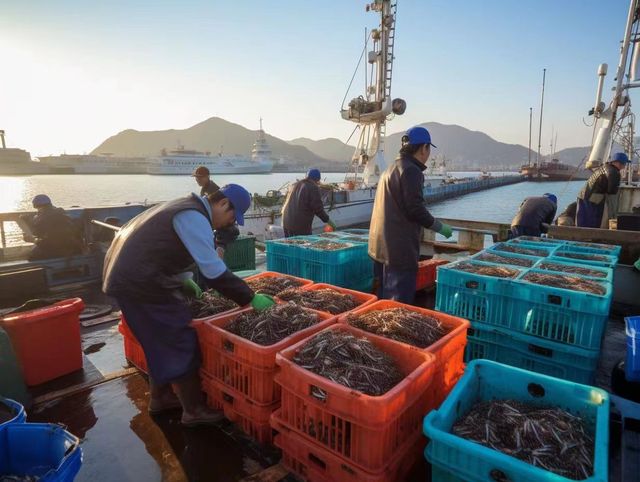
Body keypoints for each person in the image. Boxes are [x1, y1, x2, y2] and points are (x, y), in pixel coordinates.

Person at [103, 185, 275, 426]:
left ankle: (160, 398)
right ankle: (194, 410)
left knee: (158, 341)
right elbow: (214, 272)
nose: (227, 224)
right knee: (180, 338)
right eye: (230, 217)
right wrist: (249, 298)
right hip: (139, 283)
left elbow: (162, 250)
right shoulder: (194, 216)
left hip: (130, 279)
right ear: (224, 203)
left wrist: (183, 281)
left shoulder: (181, 206)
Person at [368, 126, 453, 304]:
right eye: (428, 149)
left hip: (379, 249)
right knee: (398, 305)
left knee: (383, 301)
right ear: (424, 148)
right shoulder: (411, 171)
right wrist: (440, 227)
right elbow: (415, 209)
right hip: (399, 252)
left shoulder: (389, 169)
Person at [192, 165, 237, 257]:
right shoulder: (204, 189)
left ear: (207, 177)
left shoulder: (213, 190)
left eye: (200, 177)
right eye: (196, 178)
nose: (197, 180)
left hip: (221, 223)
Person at [19, 195, 82, 261]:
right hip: (72, 249)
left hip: (59, 252)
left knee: (31, 257)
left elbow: (49, 243)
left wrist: (32, 240)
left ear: (38, 206)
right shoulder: (61, 213)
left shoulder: (45, 219)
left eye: (37, 208)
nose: (38, 212)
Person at [576, 152, 631, 228]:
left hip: (583, 195)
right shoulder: (614, 172)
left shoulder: (604, 167)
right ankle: (591, 237)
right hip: (593, 199)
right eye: (624, 164)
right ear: (619, 163)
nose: (625, 166)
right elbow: (612, 190)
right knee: (593, 220)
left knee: (582, 220)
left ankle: (582, 236)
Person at [281, 168, 336, 237]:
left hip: (286, 223)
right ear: (317, 180)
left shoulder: (295, 185)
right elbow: (318, 209)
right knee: (304, 245)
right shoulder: (313, 187)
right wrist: (328, 221)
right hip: (299, 226)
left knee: (290, 245)